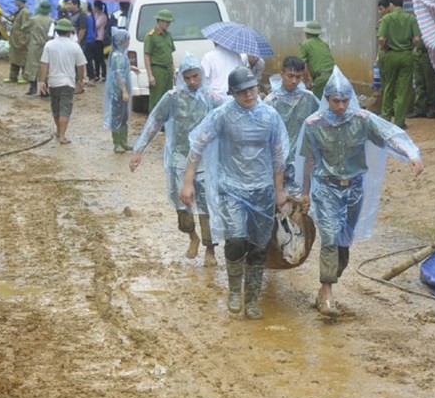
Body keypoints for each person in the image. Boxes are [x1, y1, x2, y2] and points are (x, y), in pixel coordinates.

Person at [299, 66, 423, 317]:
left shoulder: (362, 120)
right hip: (325, 187)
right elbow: (309, 161)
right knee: (331, 237)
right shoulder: (313, 125)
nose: (341, 106)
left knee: (344, 242)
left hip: (353, 188)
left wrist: (410, 153)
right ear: (326, 100)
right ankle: (328, 294)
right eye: (336, 101)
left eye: (345, 100)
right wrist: (305, 192)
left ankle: (325, 288)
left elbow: (389, 136)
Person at [180, 67, 290, 318]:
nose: (248, 96)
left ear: (257, 88)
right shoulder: (223, 115)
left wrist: (279, 190)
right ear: (233, 94)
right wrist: (187, 183)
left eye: (251, 90)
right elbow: (198, 145)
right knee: (236, 239)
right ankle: (233, 290)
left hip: (262, 191)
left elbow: (277, 155)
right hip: (232, 189)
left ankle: (251, 300)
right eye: (242, 92)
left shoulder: (270, 117)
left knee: (258, 247)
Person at [130, 54, 224, 267]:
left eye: (196, 76)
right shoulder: (172, 98)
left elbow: (230, 114)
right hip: (178, 158)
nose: (192, 81)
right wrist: (139, 150)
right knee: (180, 202)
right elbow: (154, 121)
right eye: (188, 77)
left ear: (202, 75)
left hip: (204, 161)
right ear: (180, 77)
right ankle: (192, 236)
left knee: (207, 205)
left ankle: (210, 249)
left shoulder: (211, 98)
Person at [264, 56, 319, 196]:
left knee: (300, 203)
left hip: (301, 158)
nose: (294, 81)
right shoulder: (271, 102)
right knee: (277, 199)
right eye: (290, 76)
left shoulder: (308, 98)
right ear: (281, 73)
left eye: (298, 77)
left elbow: (319, 122)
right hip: (277, 159)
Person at [39, 18, 87, 144]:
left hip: (53, 82)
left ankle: (59, 131)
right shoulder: (75, 46)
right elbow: (81, 66)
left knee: (56, 107)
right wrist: (80, 80)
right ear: (70, 32)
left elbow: (44, 64)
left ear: (57, 31)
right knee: (65, 107)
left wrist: (42, 81)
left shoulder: (49, 45)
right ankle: (62, 135)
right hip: (68, 82)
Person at [377, 0, 421, 129]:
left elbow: (381, 38)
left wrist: (386, 48)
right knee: (403, 90)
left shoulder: (387, 19)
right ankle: (399, 122)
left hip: (391, 54)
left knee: (389, 86)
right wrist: (409, 47)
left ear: (391, 5)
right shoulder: (411, 19)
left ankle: (385, 118)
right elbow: (417, 39)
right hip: (407, 55)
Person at [103, 28, 135, 153]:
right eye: (127, 39)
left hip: (122, 90)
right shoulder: (117, 56)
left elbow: (122, 69)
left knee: (124, 116)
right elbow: (117, 74)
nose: (128, 42)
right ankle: (117, 143)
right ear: (121, 40)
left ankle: (124, 141)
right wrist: (124, 90)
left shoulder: (122, 54)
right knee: (117, 116)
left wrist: (132, 68)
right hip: (118, 91)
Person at [144, 9, 176, 110]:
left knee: (167, 99)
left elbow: (170, 54)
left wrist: (173, 70)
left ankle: (165, 125)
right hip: (157, 71)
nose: (168, 24)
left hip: (168, 70)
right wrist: (150, 75)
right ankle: (154, 125)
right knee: (156, 100)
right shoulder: (151, 36)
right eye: (166, 21)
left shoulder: (168, 35)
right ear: (160, 21)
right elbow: (146, 55)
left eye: (169, 22)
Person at [298, 20, 334, 99]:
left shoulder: (305, 44)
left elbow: (303, 65)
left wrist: (307, 82)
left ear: (306, 33)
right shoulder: (324, 44)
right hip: (333, 76)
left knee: (316, 104)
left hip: (321, 78)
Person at [25, 0, 54, 96]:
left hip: (34, 45)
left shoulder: (33, 19)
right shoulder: (51, 20)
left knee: (33, 66)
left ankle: (32, 87)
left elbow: (24, 27)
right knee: (45, 66)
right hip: (46, 45)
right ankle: (44, 89)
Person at [4, 0, 31, 83]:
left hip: (20, 39)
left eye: (16, 0)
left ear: (20, 1)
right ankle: (13, 76)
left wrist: (23, 40)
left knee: (23, 58)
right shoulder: (19, 11)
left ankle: (25, 77)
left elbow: (26, 27)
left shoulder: (25, 12)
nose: (15, 2)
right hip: (15, 39)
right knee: (14, 58)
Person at [409, 38, 435, 119]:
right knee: (419, 83)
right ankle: (420, 109)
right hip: (417, 53)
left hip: (428, 53)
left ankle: (432, 109)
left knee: (430, 83)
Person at [92, 0, 109, 83]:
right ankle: (97, 75)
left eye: (94, 6)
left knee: (100, 57)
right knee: (96, 58)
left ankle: (104, 75)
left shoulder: (103, 16)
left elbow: (96, 25)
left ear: (96, 7)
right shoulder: (96, 15)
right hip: (95, 39)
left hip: (99, 39)